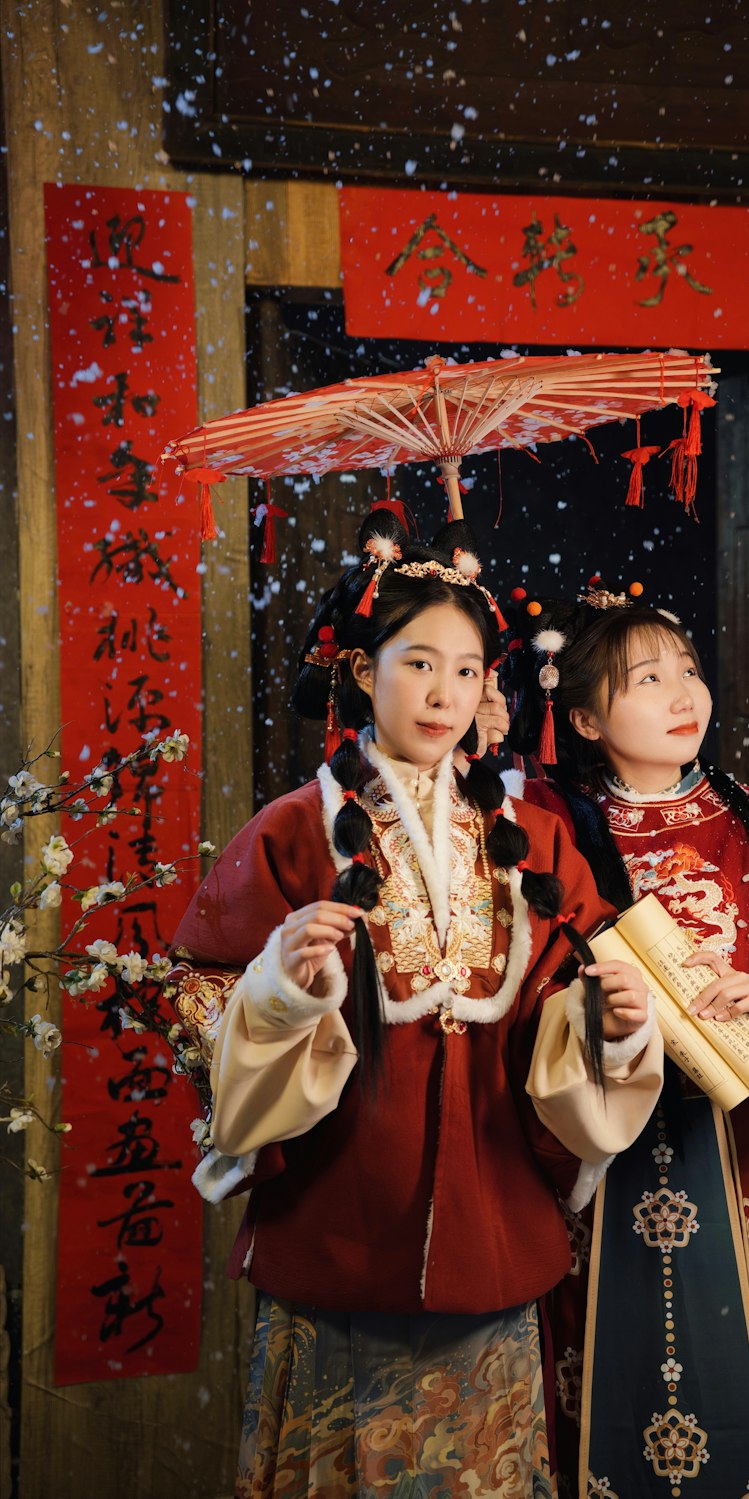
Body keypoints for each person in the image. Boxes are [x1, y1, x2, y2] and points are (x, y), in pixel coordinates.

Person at [166, 514, 664, 1499]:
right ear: (360, 669)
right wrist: (279, 991)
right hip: (338, 1219)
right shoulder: (291, 831)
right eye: (418, 662)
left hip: (490, 1218)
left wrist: (610, 1019)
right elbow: (200, 993)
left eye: (469, 669)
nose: (445, 693)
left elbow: (565, 1007)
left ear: (492, 686)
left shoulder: (532, 838)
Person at [502, 579, 749, 1499]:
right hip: (599, 1141)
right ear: (582, 718)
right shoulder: (551, 834)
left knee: (743, 1361)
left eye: (690, 672)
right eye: (646, 679)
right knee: (604, 1367)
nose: (683, 696)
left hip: (731, 1139)